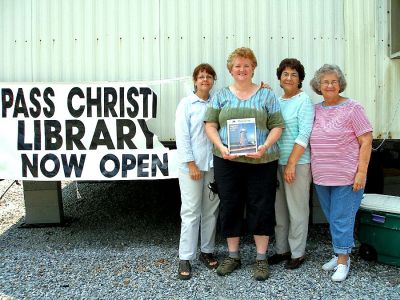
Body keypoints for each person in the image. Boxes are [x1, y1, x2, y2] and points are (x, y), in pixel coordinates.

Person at [204, 47, 284, 281]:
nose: (242, 69)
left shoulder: (267, 95)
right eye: (237, 65)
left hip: (262, 160)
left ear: (253, 68)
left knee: (261, 205)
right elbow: (209, 125)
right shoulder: (220, 96)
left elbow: (277, 125)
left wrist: (264, 147)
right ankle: (233, 255)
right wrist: (221, 147)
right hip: (227, 161)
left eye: (246, 65)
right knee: (230, 205)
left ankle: (261, 259)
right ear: (230, 69)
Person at [309, 64, 373, 282]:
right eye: (325, 82)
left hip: (347, 175)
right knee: (332, 218)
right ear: (318, 85)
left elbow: (366, 140)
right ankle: (338, 254)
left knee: (341, 218)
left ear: (340, 84)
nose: (329, 85)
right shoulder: (316, 109)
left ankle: (344, 260)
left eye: (333, 81)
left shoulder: (353, 108)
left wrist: (361, 172)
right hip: (321, 175)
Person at [268, 58, 314, 269]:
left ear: (300, 79)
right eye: (285, 74)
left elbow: (304, 134)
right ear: (279, 78)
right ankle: (281, 250)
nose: (288, 78)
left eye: (293, 75)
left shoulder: (304, 101)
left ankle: (297, 253)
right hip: (277, 162)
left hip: (297, 164)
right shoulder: (278, 100)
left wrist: (291, 164)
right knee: (280, 211)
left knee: (297, 210)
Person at [175, 63, 220, 280]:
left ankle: (207, 250)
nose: (205, 80)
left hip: (212, 166)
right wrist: (191, 164)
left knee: (210, 211)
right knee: (191, 212)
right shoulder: (186, 104)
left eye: (209, 77)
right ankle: (185, 256)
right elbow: (182, 136)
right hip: (191, 167)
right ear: (195, 80)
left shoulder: (218, 102)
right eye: (201, 76)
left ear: (213, 81)